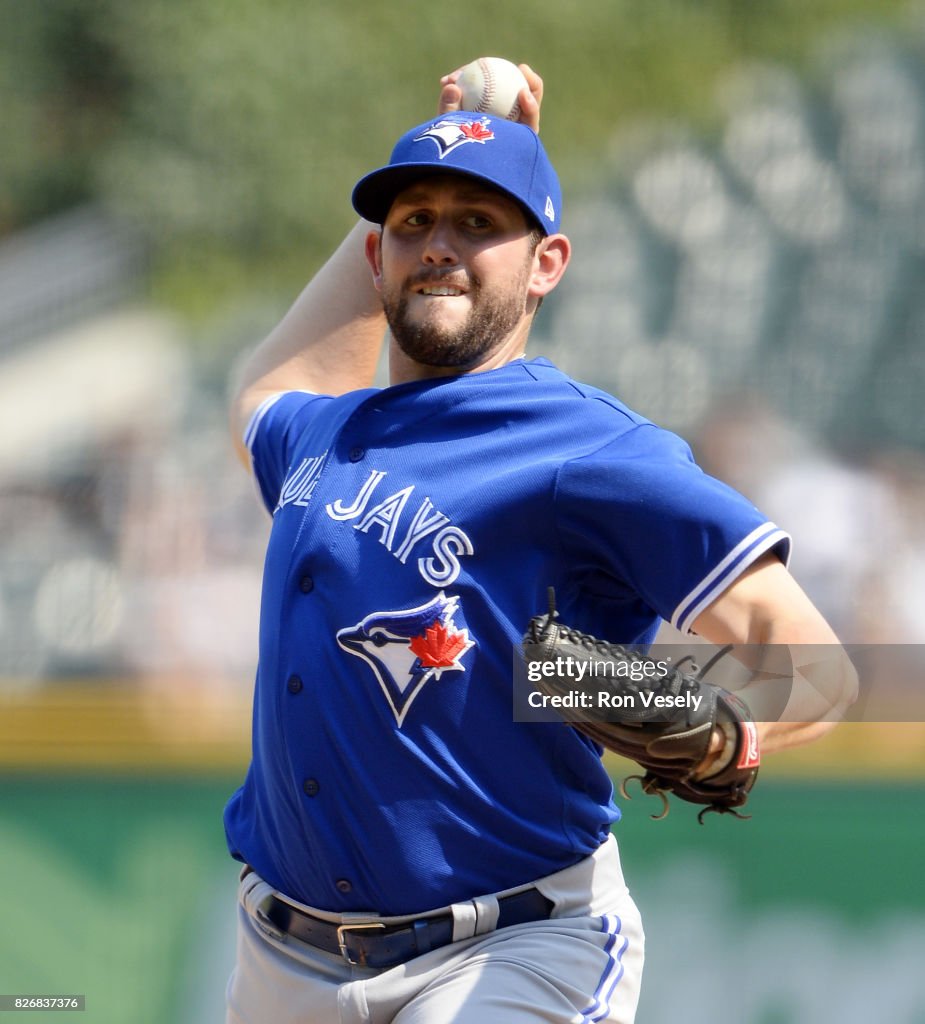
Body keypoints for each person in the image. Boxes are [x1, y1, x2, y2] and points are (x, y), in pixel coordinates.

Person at [223, 64, 855, 1024]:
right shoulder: (323, 433)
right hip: (281, 960)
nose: (438, 246)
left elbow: (820, 667)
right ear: (374, 255)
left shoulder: (591, 449)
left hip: (511, 947)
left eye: (478, 225)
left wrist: (734, 733)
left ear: (547, 263)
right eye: (412, 223)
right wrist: (464, 132)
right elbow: (263, 388)